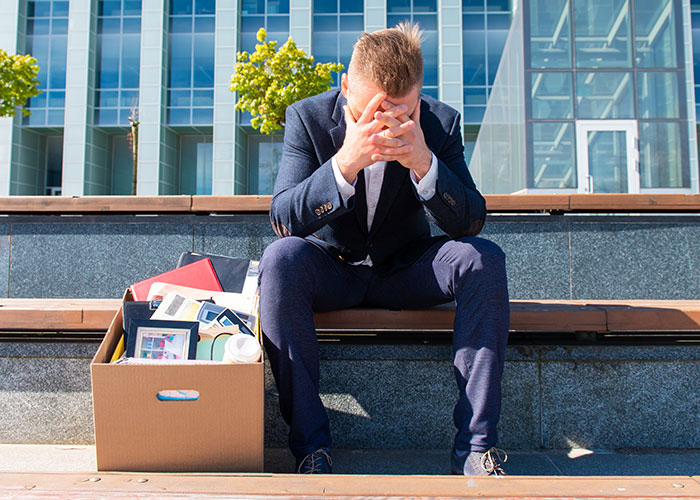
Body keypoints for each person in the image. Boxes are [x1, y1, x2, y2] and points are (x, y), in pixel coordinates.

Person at [258, 22, 509, 476]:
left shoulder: (438, 122)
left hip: (404, 270)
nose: (388, 122)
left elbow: (470, 220)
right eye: (373, 109)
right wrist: (345, 163)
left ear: (419, 96)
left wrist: (423, 163)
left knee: (483, 258)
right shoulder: (308, 118)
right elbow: (283, 218)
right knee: (280, 260)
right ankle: (311, 450)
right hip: (332, 269)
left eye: (403, 110)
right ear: (346, 87)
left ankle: (476, 450)